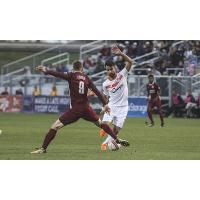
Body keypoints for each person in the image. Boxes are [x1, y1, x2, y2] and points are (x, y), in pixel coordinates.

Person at [31, 60, 130, 154]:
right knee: (100, 124)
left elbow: (58, 74)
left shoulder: (71, 75)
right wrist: (105, 104)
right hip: (86, 108)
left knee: (55, 126)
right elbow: (97, 92)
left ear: (74, 68)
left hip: (76, 109)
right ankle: (116, 139)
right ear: (82, 68)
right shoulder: (86, 78)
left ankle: (43, 148)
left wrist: (45, 70)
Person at [98, 44, 134, 150]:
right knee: (105, 124)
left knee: (116, 130)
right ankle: (105, 131)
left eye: (111, 69)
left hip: (123, 107)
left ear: (115, 67)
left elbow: (130, 62)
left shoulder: (122, 74)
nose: (109, 71)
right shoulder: (105, 84)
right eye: (107, 70)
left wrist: (121, 53)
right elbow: (105, 97)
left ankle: (105, 143)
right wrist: (104, 106)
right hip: (112, 106)